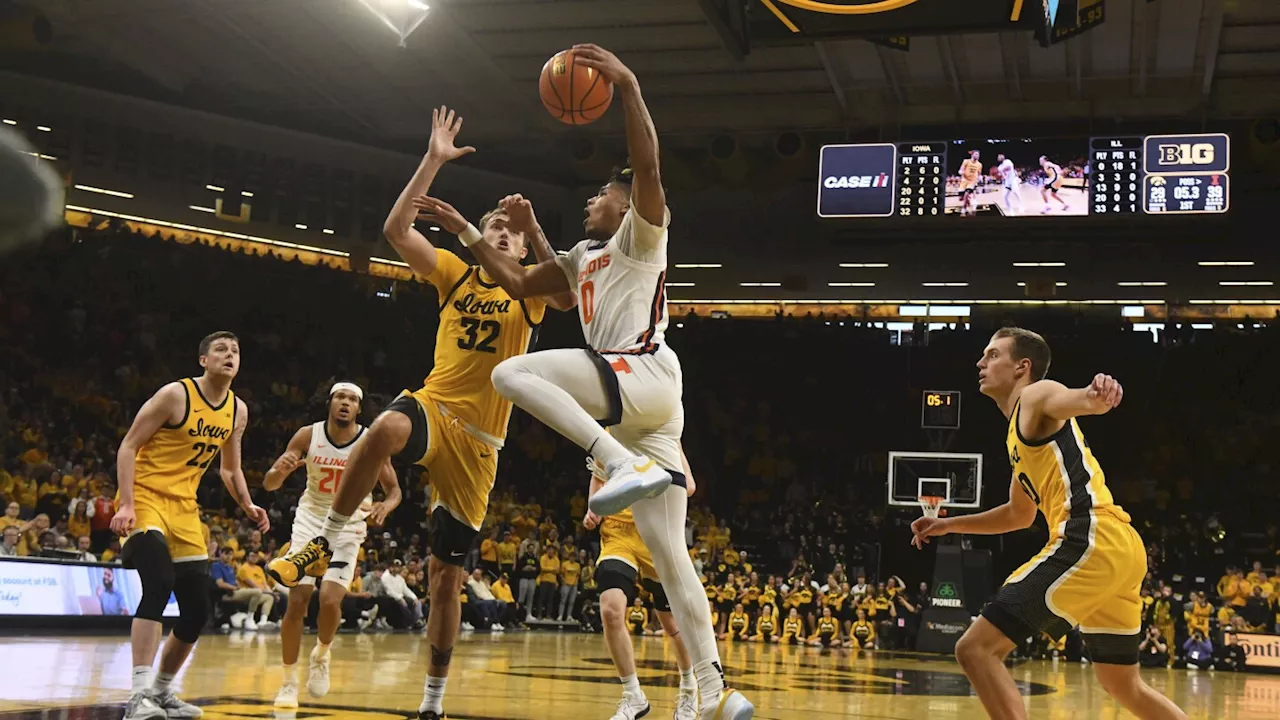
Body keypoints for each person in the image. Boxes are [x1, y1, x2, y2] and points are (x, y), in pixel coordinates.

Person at [417, 44, 752, 720]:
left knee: (513, 373)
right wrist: (470, 234)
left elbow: (648, 164)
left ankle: (613, 459)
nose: (595, 198)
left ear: (628, 207)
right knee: (672, 555)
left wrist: (626, 83)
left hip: (644, 374)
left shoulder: (640, 237)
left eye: (605, 192)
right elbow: (521, 283)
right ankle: (718, 687)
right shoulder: (581, 256)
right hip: (644, 407)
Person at [266, 106, 572, 720]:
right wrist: (433, 159)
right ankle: (321, 544)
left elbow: (563, 291)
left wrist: (531, 227)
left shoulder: (525, 291)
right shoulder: (457, 274)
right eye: (498, 228)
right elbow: (397, 229)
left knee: (444, 580)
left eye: (507, 235)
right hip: (435, 406)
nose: (503, 237)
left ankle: (433, 698)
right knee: (385, 426)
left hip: (481, 440)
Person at [910, 327, 1186, 720]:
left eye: (992, 355)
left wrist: (1095, 396)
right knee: (1124, 685)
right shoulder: (1018, 432)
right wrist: (948, 526)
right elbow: (1018, 515)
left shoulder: (1035, 395)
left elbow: (1073, 399)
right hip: (1119, 548)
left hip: (1089, 537)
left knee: (975, 649)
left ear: (1022, 366)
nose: (980, 363)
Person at [110, 331, 270, 720]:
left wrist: (248, 503)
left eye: (235, 350)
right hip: (146, 496)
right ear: (203, 360)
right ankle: (138, 695)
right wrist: (127, 502)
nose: (229, 355)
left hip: (184, 507)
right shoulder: (175, 395)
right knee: (160, 581)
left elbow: (229, 469)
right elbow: (128, 445)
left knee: (198, 608)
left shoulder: (237, 410)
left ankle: (163, 692)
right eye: (221, 349)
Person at [264, 382, 401, 709]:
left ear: (358, 408)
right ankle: (288, 682)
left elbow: (394, 490)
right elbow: (269, 483)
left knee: (329, 600)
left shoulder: (370, 441)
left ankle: (322, 655)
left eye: (353, 400)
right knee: (297, 601)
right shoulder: (307, 436)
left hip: (349, 525)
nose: (345, 403)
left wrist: (386, 505)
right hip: (311, 520)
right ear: (330, 402)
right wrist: (278, 472)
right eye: (341, 397)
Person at [584, 451, 699, 719]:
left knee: (671, 624)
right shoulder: (609, 431)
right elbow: (598, 478)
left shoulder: (663, 431)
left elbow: (689, 486)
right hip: (617, 536)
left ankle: (688, 687)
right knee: (611, 610)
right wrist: (593, 509)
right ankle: (633, 695)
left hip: (654, 533)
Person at [957, 150, 983, 217]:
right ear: (972, 155)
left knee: (966, 194)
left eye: (978, 155)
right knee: (961, 198)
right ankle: (968, 203)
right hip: (964, 181)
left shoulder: (979, 164)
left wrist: (980, 178)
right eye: (976, 154)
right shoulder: (966, 161)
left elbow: (979, 173)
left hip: (972, 181)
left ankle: (963, 209)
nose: (978, 156)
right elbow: (961, 169)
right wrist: (960, 172)